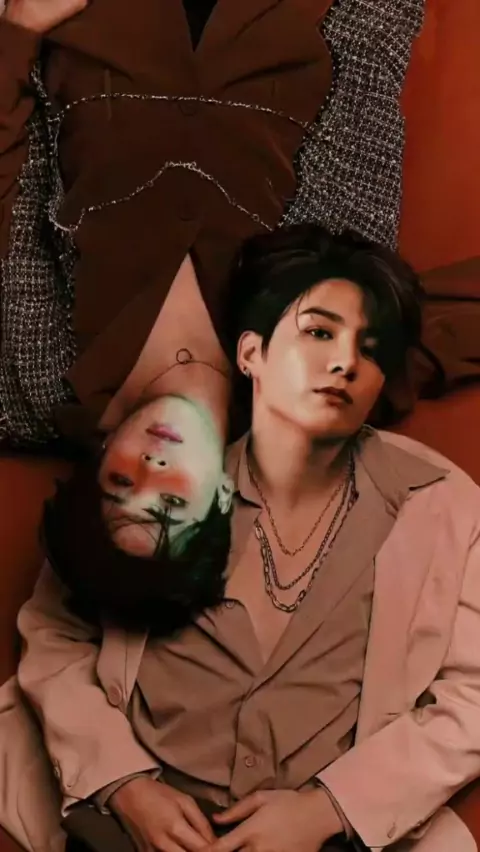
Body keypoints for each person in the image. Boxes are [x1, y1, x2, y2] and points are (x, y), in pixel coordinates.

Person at [7, 225, 480, 852]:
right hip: (126, 829)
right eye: (319, 333)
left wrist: (330, 808)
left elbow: (473, 694)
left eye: (370, 349)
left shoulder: (439, 501)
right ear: (252, 352)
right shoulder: (162, 465)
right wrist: (124, 784)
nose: (346, 362)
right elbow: (54, 634)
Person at [0, 0, 426, 447]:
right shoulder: (323, 381)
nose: (153, 470)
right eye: (176, 497)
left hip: (100, 32)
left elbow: (13, 190)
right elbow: (361, 113)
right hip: (268, 33)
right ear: (226, 486)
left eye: (123, 483)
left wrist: (16, 30)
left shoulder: (34, 395)